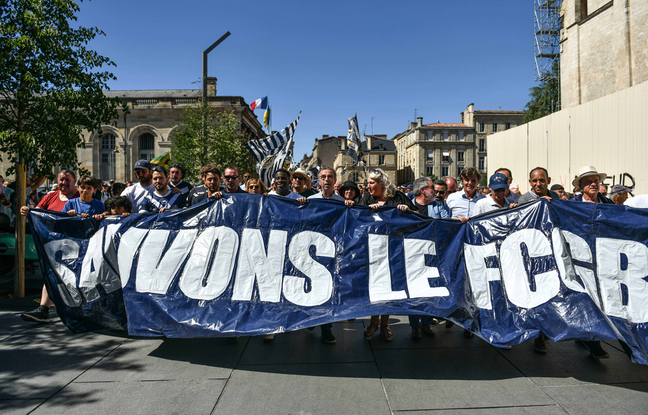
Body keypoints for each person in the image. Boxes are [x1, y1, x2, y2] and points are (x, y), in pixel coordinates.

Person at [352, 168, 414, 342]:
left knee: (389, 289)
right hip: (372, 251)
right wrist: (366, 211)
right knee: (375, 288)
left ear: (382, 184)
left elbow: (418, 216)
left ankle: (384, 324)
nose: (368, 186)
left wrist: (407, 210)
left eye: (371, 183)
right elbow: (356, 219)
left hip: (395, 251)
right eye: (368, 182)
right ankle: (373, 322)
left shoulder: (399, 197)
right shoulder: (367, 198)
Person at [20, 170, 80, 324]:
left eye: (67, 180)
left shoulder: (81, 196)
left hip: (75, 245)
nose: (64, 183)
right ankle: (43, 309)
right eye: (61, 180)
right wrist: (27, 210)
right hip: (52, 244)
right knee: (52, 273)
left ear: (74, 181)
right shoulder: (51, 196)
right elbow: (38, 212)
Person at [570, 166, 615, 359]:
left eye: (596, 180)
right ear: (580, 186)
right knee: (586, 299)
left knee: (601, 299)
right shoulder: (570, 205)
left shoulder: (609, 203)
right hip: (579, 258)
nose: (594, 184)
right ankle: (592, 342)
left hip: (602, 258)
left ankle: (590, 338)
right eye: (588, 181)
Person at [298, 168, 343, 344]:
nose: (327, 180)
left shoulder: (341, 202)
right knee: (310, 287)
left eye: (330, 177)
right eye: (323, 177)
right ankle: (311, 318)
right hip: (312, 251)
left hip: (331, 252)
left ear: (334, 180)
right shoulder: (310, 200)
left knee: (328, 290)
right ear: (318, 181)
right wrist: (301, 204)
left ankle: (326, 329)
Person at [407, 177, 438, 340]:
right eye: (432, 188)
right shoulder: (408, 206)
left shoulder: (438, 206)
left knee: (430, 290)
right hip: (414, 254)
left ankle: (426, 322)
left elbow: (447, 221)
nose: (435, 191)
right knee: (415, 291)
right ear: (423, 190)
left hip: (434, 252)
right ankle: (415, 326)